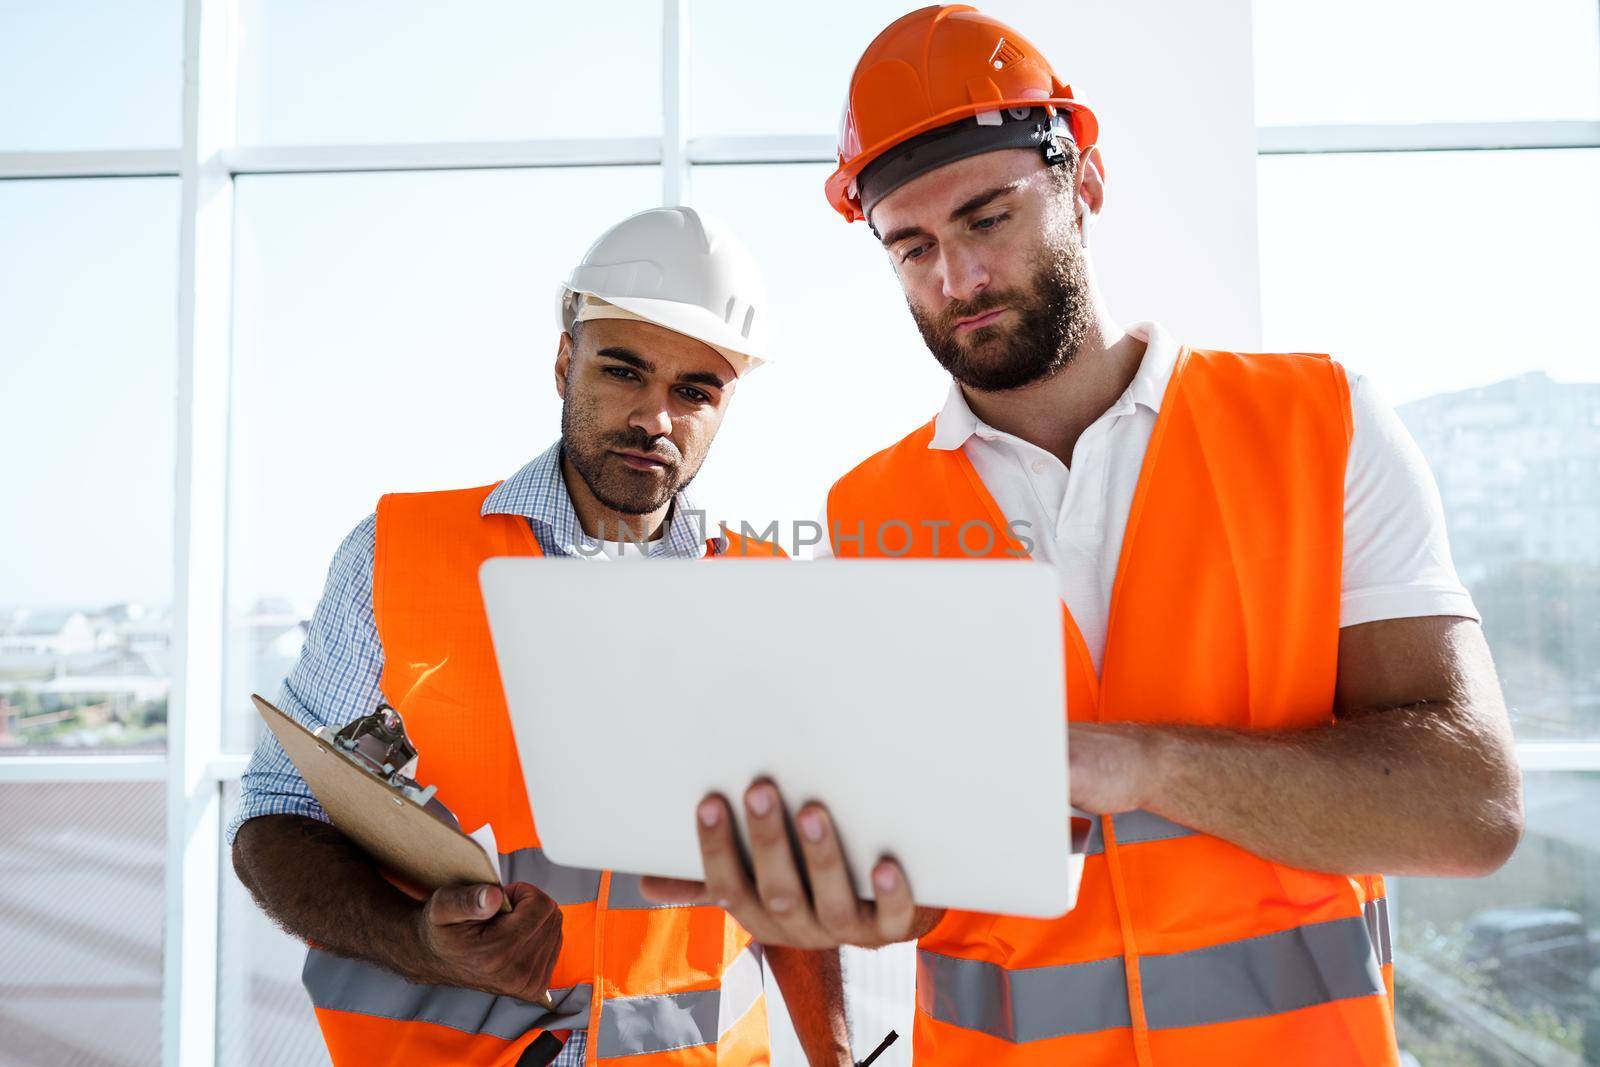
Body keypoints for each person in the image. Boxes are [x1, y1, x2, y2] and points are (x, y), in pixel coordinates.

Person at [643, 8, 1524, 1065]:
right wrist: (838, 893)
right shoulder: (865, 509)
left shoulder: (1317, 420)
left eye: (987, 217)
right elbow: (926, 883)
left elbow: (1469, 805)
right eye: (911, 247)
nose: (957, 280)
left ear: (1085, 182)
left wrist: (1138, 761)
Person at [230, 207, 851, 1067]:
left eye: (693, 391)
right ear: (565, 360)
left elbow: (787, 876)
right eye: (623, 370)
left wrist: (837, 1057)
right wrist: (418, 938)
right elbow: (278, 813)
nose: (654, 419)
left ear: (725, 405)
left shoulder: (765, 597)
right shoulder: (396, 554)